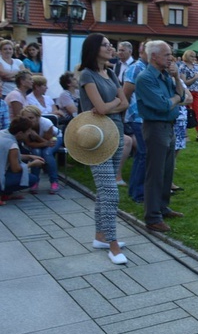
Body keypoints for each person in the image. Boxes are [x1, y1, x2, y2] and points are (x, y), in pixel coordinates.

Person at [78, 33, 128, 264]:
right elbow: (98, 108)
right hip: (95, 137)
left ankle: (100, 236)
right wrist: (113, 105)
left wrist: (112, 106)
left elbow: (124, 102)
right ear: (94, 49)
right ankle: (113, 243)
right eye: (106, 45)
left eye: (111, 45)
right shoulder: (87, 75)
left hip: (115, 133)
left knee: (104, 190)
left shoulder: (109, 73)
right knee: (110, 191)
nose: (111, 48)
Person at [135, 40, 186, 233]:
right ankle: (153, 217)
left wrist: (177, 78)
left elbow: (180, 97)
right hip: (155, 127)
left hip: (168, 126)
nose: (170, 58)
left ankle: (162, 207)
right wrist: (173, 100)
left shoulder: (165, 76)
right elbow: (163, 105)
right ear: (153, 56)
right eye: (166, 54)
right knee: (155, 174)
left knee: (166, 172)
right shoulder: (145, 78)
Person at [123, 42, 149, 203]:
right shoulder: (136, 68)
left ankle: (136, 191)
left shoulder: (149, 68)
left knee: (142, 154)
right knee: (144, 154)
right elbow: (126, 93)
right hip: (137, 117)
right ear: (142, 52)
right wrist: (125, 115)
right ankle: (138, 193)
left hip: (145, 117)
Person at [18, 105, 63, 195]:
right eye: (25, 118)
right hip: (41, 141)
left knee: (47, 152)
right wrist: (43, 142)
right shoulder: (23, 125)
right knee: (36, 152)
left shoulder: (46, 123)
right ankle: (35, 181)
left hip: (55, 137)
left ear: (38, 117)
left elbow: (48, 142)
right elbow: (29, 144)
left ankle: (54, 181)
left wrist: (37, 136)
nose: (28, 121)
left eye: (31, 118)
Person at [0, 117, 44, 205]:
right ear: (20, 133)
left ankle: (4, 193)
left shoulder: (2, 133)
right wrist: (32, 164)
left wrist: (29, 156)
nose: (30, 133)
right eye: (28, 131)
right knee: (32, 179)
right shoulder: (12, 145)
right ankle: (2, 192)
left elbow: (8, 156)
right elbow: (15, 168)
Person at [179, 50, 198, 142]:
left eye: (194, 56)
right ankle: (185, 135)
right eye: (191, 56)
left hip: (196, 93)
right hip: (187, 93)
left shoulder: (196, 67)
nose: (194, 58)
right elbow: (184, 82)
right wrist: (194, 78)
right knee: (186, 113)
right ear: (186, 56)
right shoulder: (182, 67)